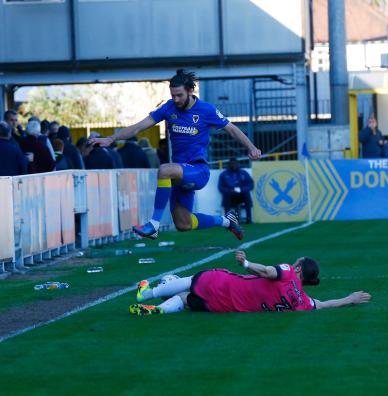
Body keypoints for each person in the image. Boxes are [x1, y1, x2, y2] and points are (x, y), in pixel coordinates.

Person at [89, 69, 261, 240]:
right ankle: (226, 221)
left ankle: (153, 225)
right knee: (183, 224)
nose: (176, 100)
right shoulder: (168, 108)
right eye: (173, 95)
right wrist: (112, 138)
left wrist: (251, 147)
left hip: (197, 170)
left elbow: (231, 129)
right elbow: (138, 127)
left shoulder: (206, 110)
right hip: (178, 173)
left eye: (179, 95)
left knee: (164, 170)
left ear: (190, 91)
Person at [129, 251, 372, 315]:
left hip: (226, 285)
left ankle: (146, 295)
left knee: (190, 281)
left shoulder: (287, 272)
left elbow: (267, 272)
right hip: (225, 307)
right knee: (186, 300)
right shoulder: (303, 302)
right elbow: (325, 304)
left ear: (298, 269)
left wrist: (246, 264)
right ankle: (160, 310)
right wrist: (349, 299)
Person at [218, 158, 254, 224]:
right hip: (230, 195)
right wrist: (229, 190)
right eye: (232, 164)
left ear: (238, 164)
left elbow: (251, 184)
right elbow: (220, 187)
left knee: (246, 194)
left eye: (235, 164)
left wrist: (242, 189)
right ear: (229, 165)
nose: (233, 165)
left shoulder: (244, 173)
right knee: (226, 195)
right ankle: (228, 220)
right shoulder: (223, 174)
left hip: (241, 194)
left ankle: (249, 218)